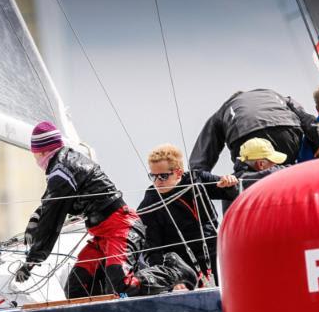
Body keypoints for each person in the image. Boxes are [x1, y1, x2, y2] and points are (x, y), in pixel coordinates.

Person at [15, 121, 196, 298]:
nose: (36, 160)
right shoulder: (63, 165)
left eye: (35, 155)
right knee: (76, 289)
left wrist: (31, 261)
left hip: (121, 227)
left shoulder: (61, 171)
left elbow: (51, 221)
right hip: (102, 236)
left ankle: (174, 270)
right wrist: (36, 217)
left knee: (123, 286)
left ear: (42, 151)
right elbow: (51, 202)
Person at [189, 88, 319, 185]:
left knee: (240, 181)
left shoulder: (223, 110)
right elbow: (309, 122)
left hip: (245, 136)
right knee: (288, 171)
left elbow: (201, 157)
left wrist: (196, 181)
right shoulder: (277, 95)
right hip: (287, 131)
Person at [138, 144, 238, 285]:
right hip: (181, 264)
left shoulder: (197, 179)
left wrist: (230, 183)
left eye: (163, 176)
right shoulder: (150, 203)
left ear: (178, 172)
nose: (157, 182)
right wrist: (171, 280)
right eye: (153, 176)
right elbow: (152, 249)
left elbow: (229, 192)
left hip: (214, 252)